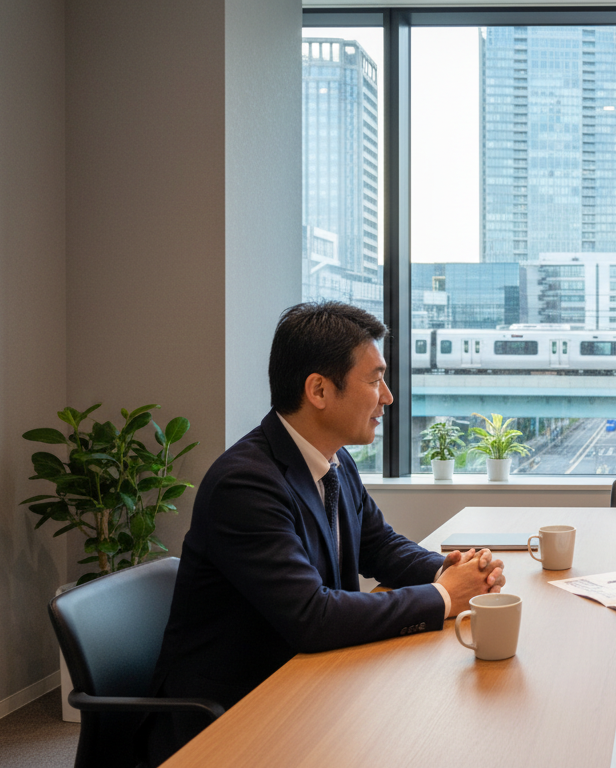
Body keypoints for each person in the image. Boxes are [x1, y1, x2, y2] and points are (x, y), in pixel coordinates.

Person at [145, 302, 505, 764]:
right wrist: (445, 597)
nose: (388, 397)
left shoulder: (334, 459)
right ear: (318, 389)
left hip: (312, 685)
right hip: (235, 717)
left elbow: (380, 545)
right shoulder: (246, 484)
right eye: (374, 380)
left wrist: (452, 569)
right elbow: (312, 617)